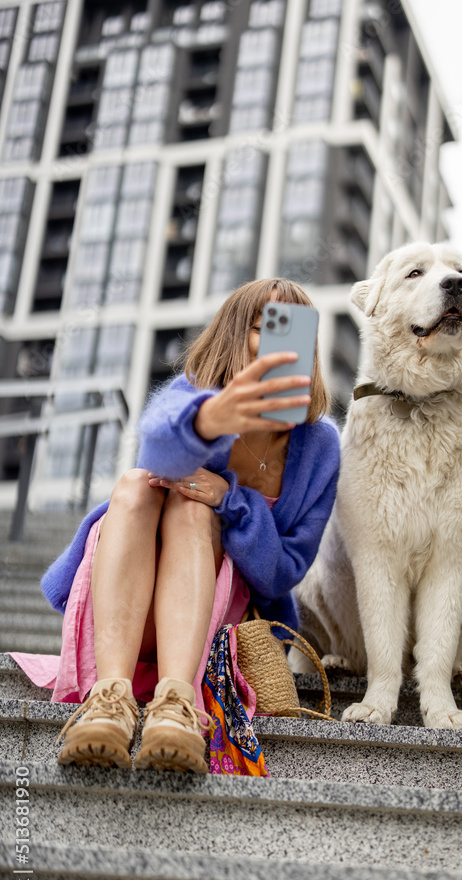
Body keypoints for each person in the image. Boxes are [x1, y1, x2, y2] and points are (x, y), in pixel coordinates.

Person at [15, 279, 339, 773]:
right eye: (264, 328)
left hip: (210, 622)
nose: (281, 345)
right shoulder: (194, 396)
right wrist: (209, 419)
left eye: (294, 332)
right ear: (234, 334)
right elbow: (155, 452)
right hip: (127, 608)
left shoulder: (319, 447)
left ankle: (175, 703)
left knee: (194, 509)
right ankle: (110, 697)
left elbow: (283, 573)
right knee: (132, 485)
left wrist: (232, 501)